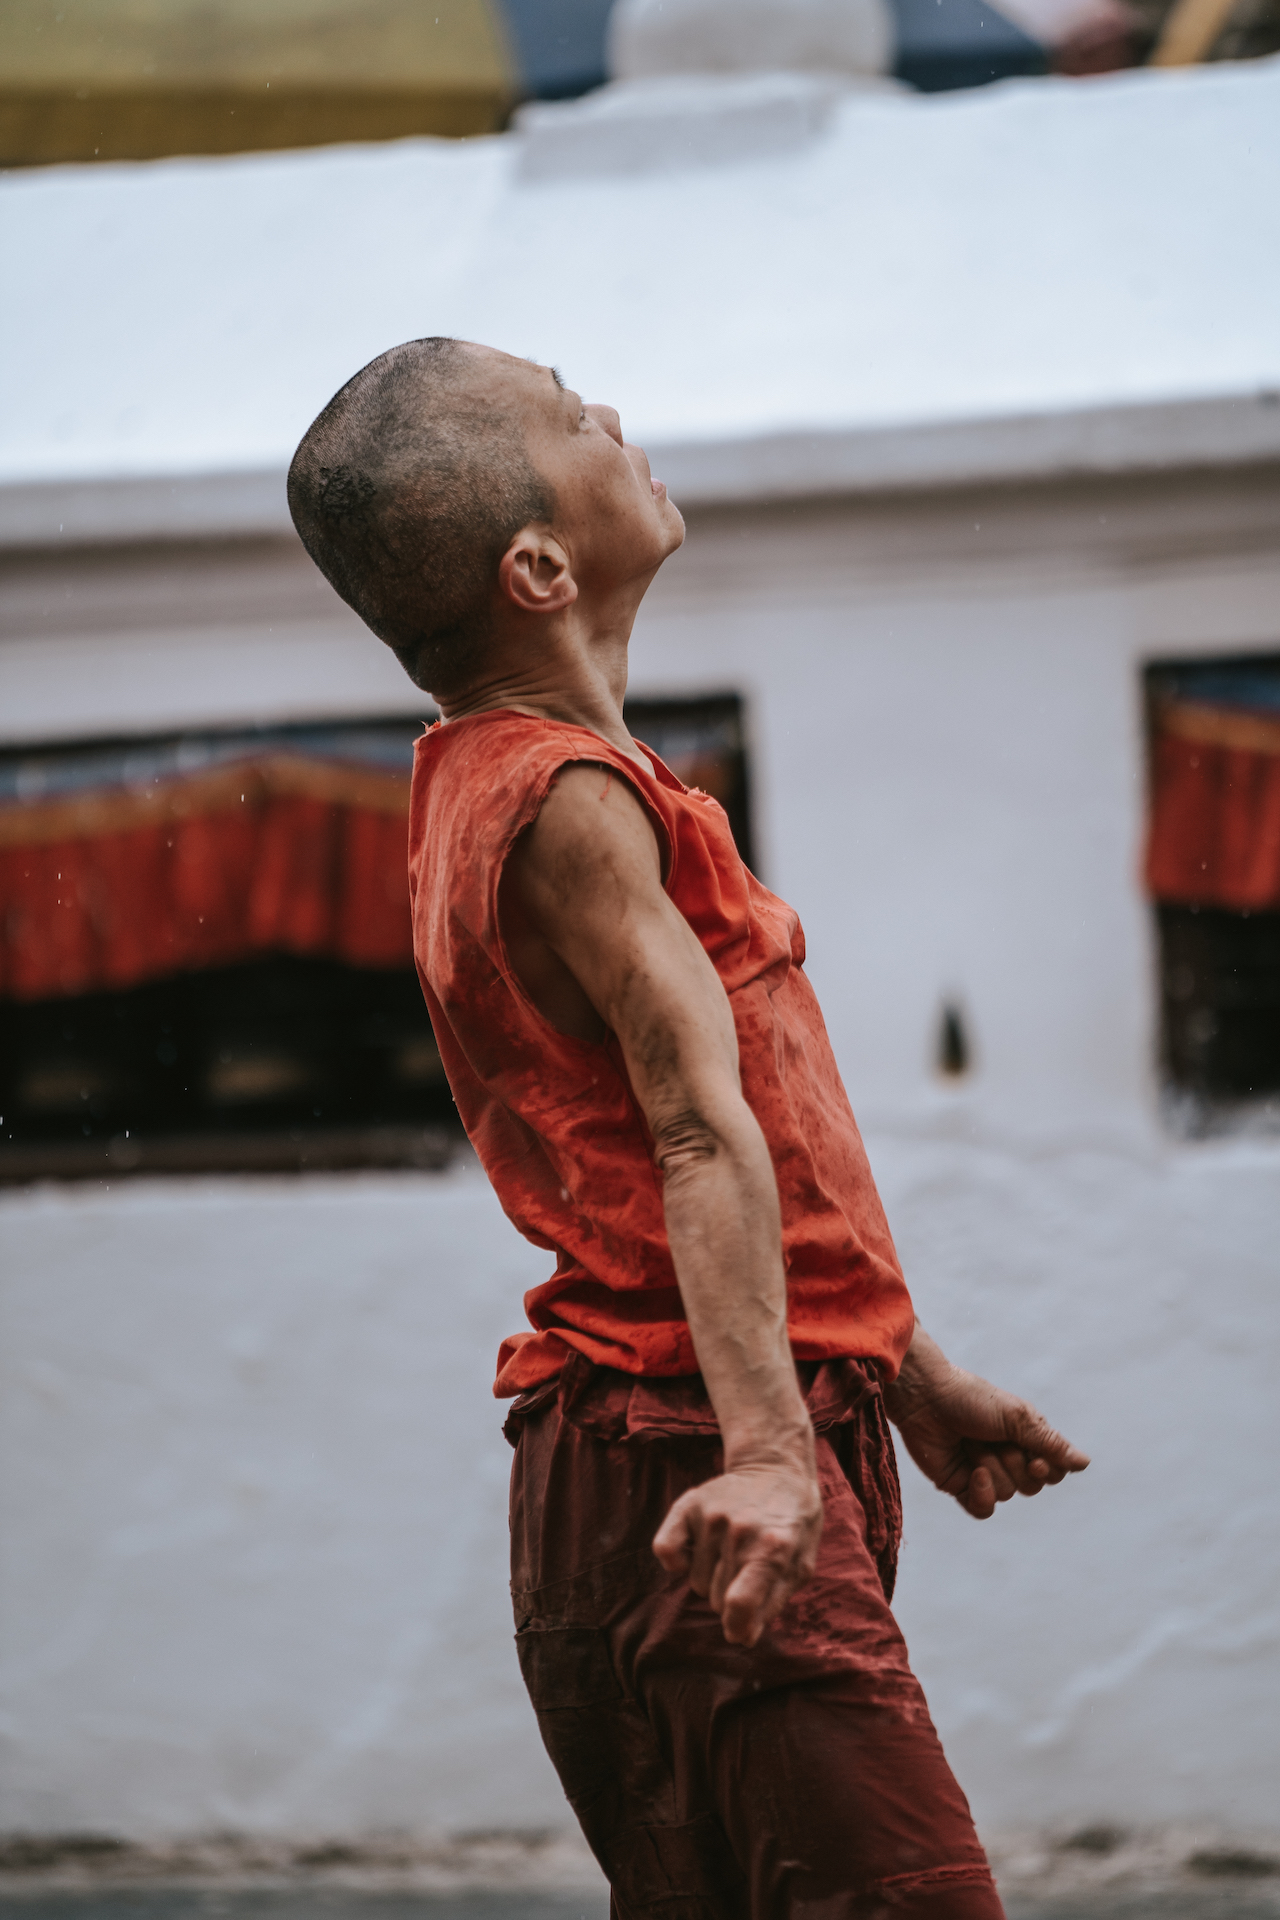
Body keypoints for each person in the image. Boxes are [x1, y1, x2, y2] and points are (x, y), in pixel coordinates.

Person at [288, 337, 1089, 1920]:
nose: (612, 416)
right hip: (693, 1451)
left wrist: (898, 1364)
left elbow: (732, 1149)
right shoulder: (570, 804)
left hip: (672, 1447)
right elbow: (694, 1137)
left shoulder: (509, 780)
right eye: (570, 412)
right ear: (537, 567)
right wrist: (776, 1455)